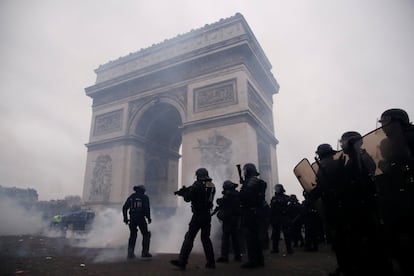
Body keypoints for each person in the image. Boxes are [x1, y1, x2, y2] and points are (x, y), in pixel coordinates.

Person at [377, 108, 414, 275]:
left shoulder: (411, 136)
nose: (383, 126)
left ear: (396, 121)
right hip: (396, 201)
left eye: (385, 122)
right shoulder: (387, 143)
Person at [170, 168, 216, 270]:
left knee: (189, 237)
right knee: (206, 239)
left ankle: (182, 261)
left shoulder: (197, 185)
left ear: (199, 175)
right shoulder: (211, 185)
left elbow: (188, 198)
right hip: (207, 215)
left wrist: (183, 194)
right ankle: (211, 262)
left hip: (198, 215)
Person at [239, 163, 267, 268]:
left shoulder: (249, 183)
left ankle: (253, 261)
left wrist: (244, 187)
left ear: (247, 171)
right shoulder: (261, 182)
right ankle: (260, 260)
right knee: (256, 238)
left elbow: (243, 196)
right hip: (258, 213)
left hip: (249, 213)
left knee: (250, 238)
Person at [214, 180, 242, 263]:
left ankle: (224, 256)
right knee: (235, 238)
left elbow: (223, 202)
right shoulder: (235, 194)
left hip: (228, 218)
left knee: (225, 238)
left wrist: (219, 201)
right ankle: (237, 256)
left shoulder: (229, 195)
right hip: (235, 218)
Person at [122, 185, 152, 259]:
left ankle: (130, 254)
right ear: (142, 190)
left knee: (133, 235)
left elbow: (125, 207)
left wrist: (125, 218)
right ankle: (145, 252)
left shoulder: (131, 197)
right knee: (146, 234)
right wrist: (148, 218)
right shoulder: (144, 197)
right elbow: (146, 208)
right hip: (141, 218)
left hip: (132, 218)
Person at [269, 184, 293, 254]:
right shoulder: (274, 198)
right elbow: (272, 209)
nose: (276, 189)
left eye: (277, 188)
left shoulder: (286, 198)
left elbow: (289, 208)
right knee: (275, 234)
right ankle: (275, 249)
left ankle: (289, 249)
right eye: (276, 188)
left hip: (284, 217)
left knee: (286, 234)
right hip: (276, 217)